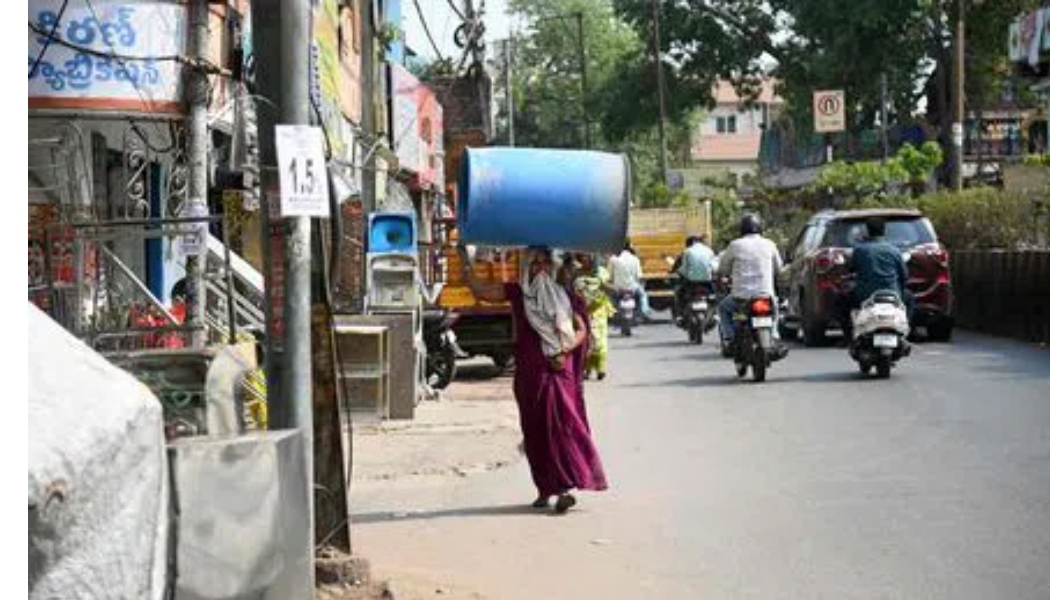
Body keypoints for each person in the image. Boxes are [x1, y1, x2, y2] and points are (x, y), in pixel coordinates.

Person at [458, 245, 608, 513]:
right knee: (535, 430)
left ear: (552, 267)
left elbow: (581, 329)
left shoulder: (565, 296)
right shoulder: (519, 293)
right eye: (534, 262)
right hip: (530, 375)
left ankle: (563, 487)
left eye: (544, 262)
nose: (540, 268)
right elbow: (482, 291)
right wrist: (465, 263)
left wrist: (564, 350)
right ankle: (544, 488)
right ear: (526, 266)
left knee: (562, 428)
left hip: (559, 374)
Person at [716, 213, 789, 359]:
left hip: (741, 297)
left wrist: (722, 275)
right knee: (775, 313)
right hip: (766, 295)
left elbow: (723, 269)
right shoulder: (770, 244)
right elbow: (779, 270)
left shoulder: (735, 245)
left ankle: (729, 340)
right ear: (760, 228)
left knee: (723, 309)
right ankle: (774, 336)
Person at [839, 216, 912, 341]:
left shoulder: (860, 249)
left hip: (864, 295)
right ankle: (905, 328)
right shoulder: (894, 250)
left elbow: (849, 268)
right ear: (884, 231)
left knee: (840, 302)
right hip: (893, 294)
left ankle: (848, 337)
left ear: (867, 231)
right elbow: (904, 276)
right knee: (910, 299)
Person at [572, 254, 616, 381]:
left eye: (588, 257)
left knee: (599, 341)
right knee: (586, 341)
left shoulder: (602, 272)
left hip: (598, 311)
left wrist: (605, 286)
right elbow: (570, 289)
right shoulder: (576, 274)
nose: (585, 259)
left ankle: (601, 368)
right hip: (581, 312)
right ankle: (587, 369)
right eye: (583, 257)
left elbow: (612, 288)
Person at [672, 235, 716, 324]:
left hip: (691, 282)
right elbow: (714, 267)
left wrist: (680, 272)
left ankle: (680, 315)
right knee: (714, 295)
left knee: (679, 294)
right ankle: (715, 314)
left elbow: (684, 268)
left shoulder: (687, 251)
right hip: (706, 282)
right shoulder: (709, 251)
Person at [608, 240, 652, 321]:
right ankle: (645, 311)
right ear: (629, 247)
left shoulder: (613, 259)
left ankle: (611, 312)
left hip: (618, 288)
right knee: (643, 295)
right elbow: (639, 276)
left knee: (611, 297)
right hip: (633, 288)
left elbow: (610, 276)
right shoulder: (635, 259)